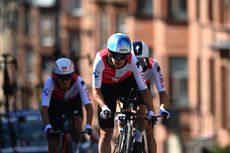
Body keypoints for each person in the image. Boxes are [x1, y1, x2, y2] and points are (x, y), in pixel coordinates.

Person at [92, 33, 157, 153]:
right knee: (106, 134)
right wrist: (104, 107)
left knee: (140, 101)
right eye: (116, 56)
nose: (119, 60)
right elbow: (96, 90)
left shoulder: (133, 60)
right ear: (109, 53)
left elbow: (144, 89)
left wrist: (151, 111)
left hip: (126, 85)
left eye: (123, 56)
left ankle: (136, 137)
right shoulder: (99, 60)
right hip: (107, 89)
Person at [41, 57, 94, 153]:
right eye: (61, 78)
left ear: (72, 75)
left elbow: (89, 107)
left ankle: (75, 150)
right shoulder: (50, 82)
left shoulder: (79, 81)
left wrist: (88, 125)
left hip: (73, 103)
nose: (65, 81)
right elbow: (44, 108)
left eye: (68, 77)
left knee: (77, 127)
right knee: (53, 141)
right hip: (55, 106)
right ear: (56, 76)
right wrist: (47, 125)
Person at [132, 40, 170, 153]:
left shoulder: (154, 65)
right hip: (127, 86)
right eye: (135, 61)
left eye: (141, 61)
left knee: (148, 128)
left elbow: (162, 92)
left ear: (147, 59)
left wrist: (162, 107)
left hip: (144, 89)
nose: (138, 65)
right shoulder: (125, 63)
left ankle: (139, 137)